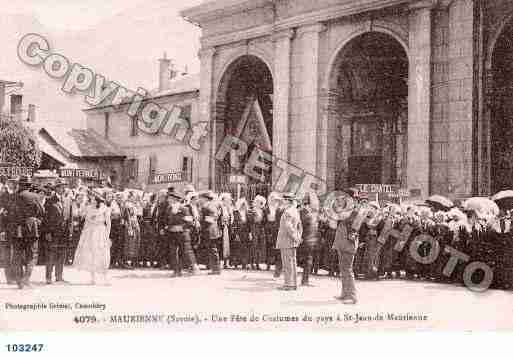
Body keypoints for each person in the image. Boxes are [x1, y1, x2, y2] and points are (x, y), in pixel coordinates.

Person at [73, 192, 111, 285]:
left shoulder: (104, 209)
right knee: (91, 254)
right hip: (90, 232)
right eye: (91, 199)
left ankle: (105, 277)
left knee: (102, 254)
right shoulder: (88, 208)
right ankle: (93, 278)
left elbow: (108, 223)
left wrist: (107, 235)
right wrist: (84, 233)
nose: (91, 200)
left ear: (97, 200)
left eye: (93, 199)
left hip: (100, 232)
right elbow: (86, 221)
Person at [13, 176, 44, 289]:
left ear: (20, 185)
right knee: (32, 255)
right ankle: (26, 279)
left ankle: (19, 281)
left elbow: (11, 213)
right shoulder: (34, 196)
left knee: (17, 255)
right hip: (31, 228)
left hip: (17, 229)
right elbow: (41, 211)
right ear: (29, 185)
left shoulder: (14, 196)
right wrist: (35, 218)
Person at [332, 194, 358, 304]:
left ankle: (352, 296)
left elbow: (354, 228)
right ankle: (345, 293)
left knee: (347, 270)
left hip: (348, 244)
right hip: (341, 243)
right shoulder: (346, 211)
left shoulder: (355, 212)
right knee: (343, 270)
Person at [43, 179, 70, 285]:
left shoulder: (67, 200)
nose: (63, 188)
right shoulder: (50, 201)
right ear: (56, 188)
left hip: (64, 233)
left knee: (62, 255)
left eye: (64, 186)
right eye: (61, 186)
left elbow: (69, 217)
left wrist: (70, 231)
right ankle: (48, 277)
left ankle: (59, 276)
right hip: (53, 233)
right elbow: (45, 218)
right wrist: (47, 232)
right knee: (51, 255)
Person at [275, 193, 302, 291]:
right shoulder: (295, 211)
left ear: (287, 201)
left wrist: (295, 237)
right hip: (291, 241)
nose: (282, 201)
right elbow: (299, 226)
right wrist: (298, 237)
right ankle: (293, 283)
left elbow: (288, 227)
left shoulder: (288, 212)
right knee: (292, 263)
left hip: (287, 240)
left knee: (287, 264)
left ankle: (288, 284)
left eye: (284, 200)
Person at [299, 191, 320, 286]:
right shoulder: (306, 214)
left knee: (308, 260)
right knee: (308, 260)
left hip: (310, 239)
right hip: (308, 240)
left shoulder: (306, 213)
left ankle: (305, 279)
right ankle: (305, 280)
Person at [199, 191, 222, 275]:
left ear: (205, 198)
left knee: (212, 250)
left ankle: (215, 269)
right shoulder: (213, 206)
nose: (200, 200)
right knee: (214, 250)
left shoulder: (205, 206)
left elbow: (207, 219)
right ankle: (216, 268)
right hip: (214, 230)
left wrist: (201, 223)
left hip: (208, 230)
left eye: (201, 198)